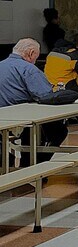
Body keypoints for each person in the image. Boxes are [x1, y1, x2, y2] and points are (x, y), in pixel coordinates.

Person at [0, 38, 67, 166]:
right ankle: (34, 165)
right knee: (59, 130)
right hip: (21, 119)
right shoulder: (29, 69)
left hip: (3, 119)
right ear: (31, 53)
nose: (35, 61)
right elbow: (46, 96)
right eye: (35, 57)